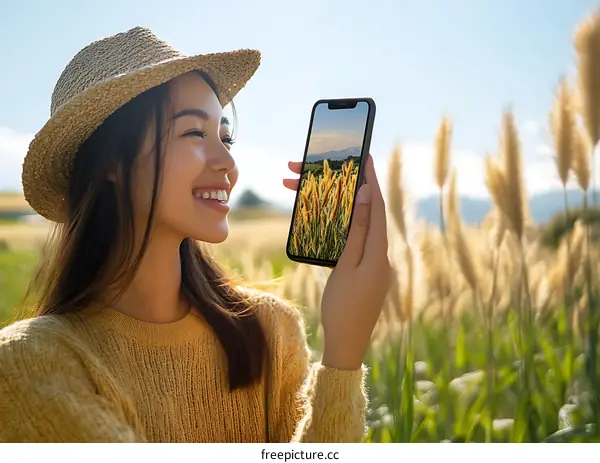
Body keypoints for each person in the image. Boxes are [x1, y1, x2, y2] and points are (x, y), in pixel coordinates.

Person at [0, 26, 390, 443]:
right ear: (111, 162)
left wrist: (344, 357)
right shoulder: (31, 361)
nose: (227, 162)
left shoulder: (270, 330)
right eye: (193, 133)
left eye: (225, 136)